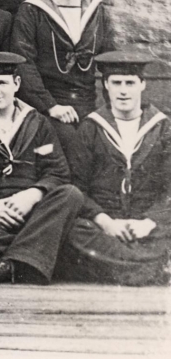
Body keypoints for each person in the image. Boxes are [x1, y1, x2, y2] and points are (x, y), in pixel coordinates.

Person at [0, 52, 84, 286]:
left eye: (2, 82)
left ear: (17, 84)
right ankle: (30, 259)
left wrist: (31, 195)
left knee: (71, 194)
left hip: (33, 213)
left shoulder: (38, 122)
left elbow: (57, 172)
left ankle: (7, 267)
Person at [64, 50, 171, 285]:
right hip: (105, 226)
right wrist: (105, 221)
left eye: (130, 83)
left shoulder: (163, 128)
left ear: (142, 84)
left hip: (147, 226)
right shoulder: (91, 128)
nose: (123, 91)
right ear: (106, 85)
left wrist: (149, 222)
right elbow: (77, 187)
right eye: (116, 83)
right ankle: (153, 268)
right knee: (74, 231)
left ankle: (126, 268)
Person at [10, 0, 115, 173]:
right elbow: (24, 62)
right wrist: (51, 106)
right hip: (48, 103)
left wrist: (112, 109)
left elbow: (111, 62)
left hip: (87, 101)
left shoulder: (97, 10)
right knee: (70, 152)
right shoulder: (32, 10)